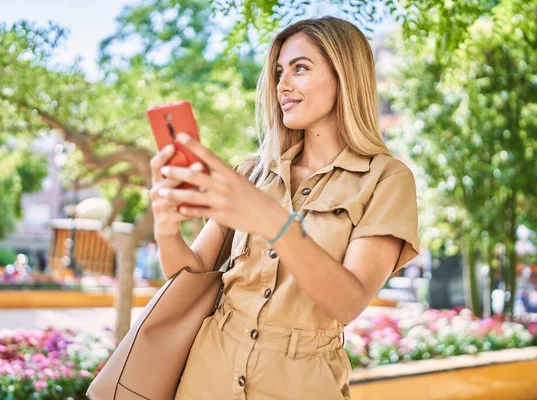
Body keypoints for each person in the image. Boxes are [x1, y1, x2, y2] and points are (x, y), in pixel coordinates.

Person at [148, 16, 420, 400]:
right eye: (279, 72)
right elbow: (189, 276)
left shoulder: (386, 179)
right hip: (206, 376)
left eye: (300, 69)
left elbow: (348, 302)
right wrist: (166, 230)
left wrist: (274, 221)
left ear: (344, 76)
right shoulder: (251, 173)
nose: (282, 85)